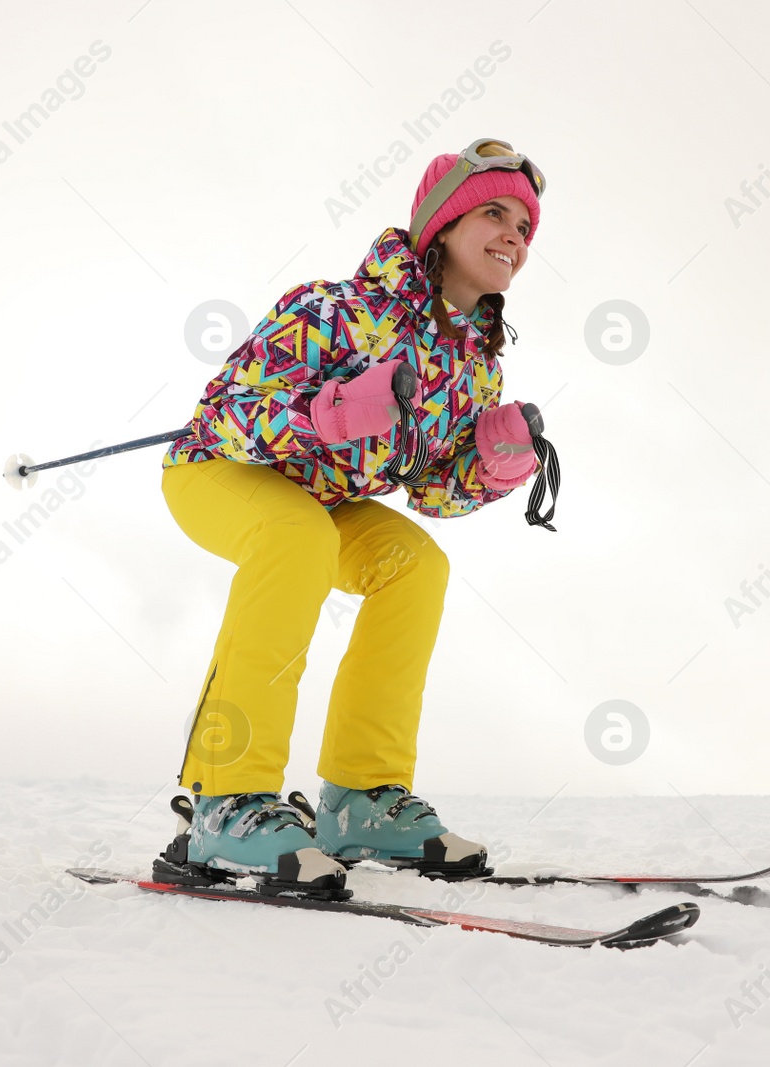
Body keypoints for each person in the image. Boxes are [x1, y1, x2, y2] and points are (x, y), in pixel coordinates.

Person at [158, 138, 547, 894]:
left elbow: (432, 490)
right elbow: (228, 410)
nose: (512, 235)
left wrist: (491, 468)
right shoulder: (335, 309)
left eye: (525, 228)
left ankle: (362, 801)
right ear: (442, 224)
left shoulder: (475, 365)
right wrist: (326, 413)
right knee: (294, 535)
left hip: (322, 501)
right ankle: (226, 800)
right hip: (216, 469)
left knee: (416, 563)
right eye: (494, 213)